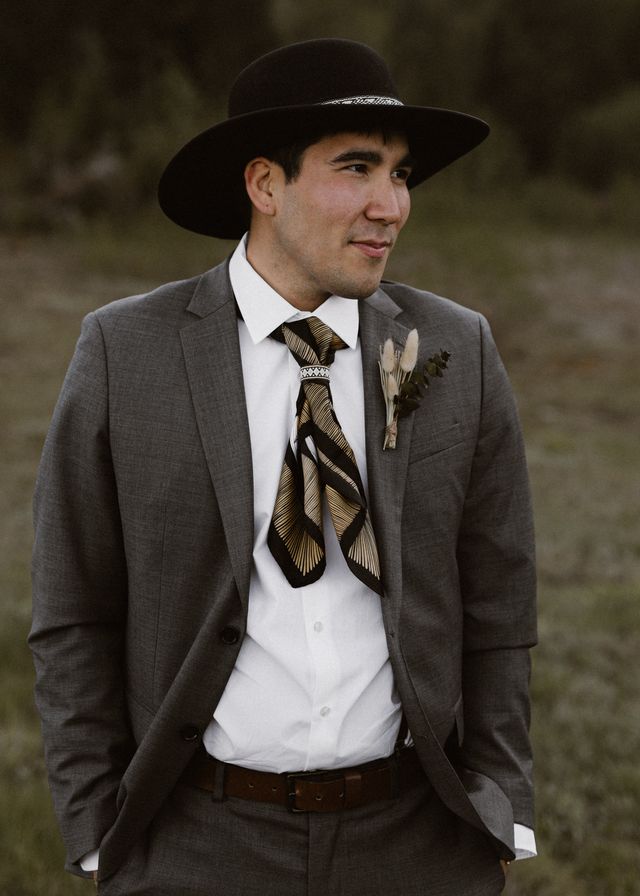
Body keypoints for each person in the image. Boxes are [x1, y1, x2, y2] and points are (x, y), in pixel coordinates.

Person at [29, 38, 537, 895]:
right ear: (265, 185)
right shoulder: (126, 351)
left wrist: (504, 802)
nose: (391, 206)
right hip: (198, 841)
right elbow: (73, 606)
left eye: (402, 175)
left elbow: (499, 595)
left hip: (418, 840)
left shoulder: (457, 348)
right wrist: (94, 831)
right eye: (356, 168)